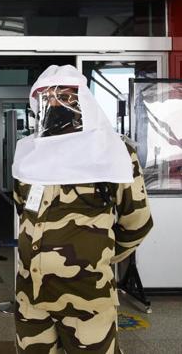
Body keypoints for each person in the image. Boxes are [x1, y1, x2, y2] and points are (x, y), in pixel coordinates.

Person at [11, 65, 153, 354]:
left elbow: (137, 221)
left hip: (87, 296)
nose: (55, 104)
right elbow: (23, 209)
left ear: (82, 100)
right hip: (31, 295)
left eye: (64, 96)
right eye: (47, 98)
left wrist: (97, 254)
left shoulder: (113, 151)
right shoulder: (29, 152)